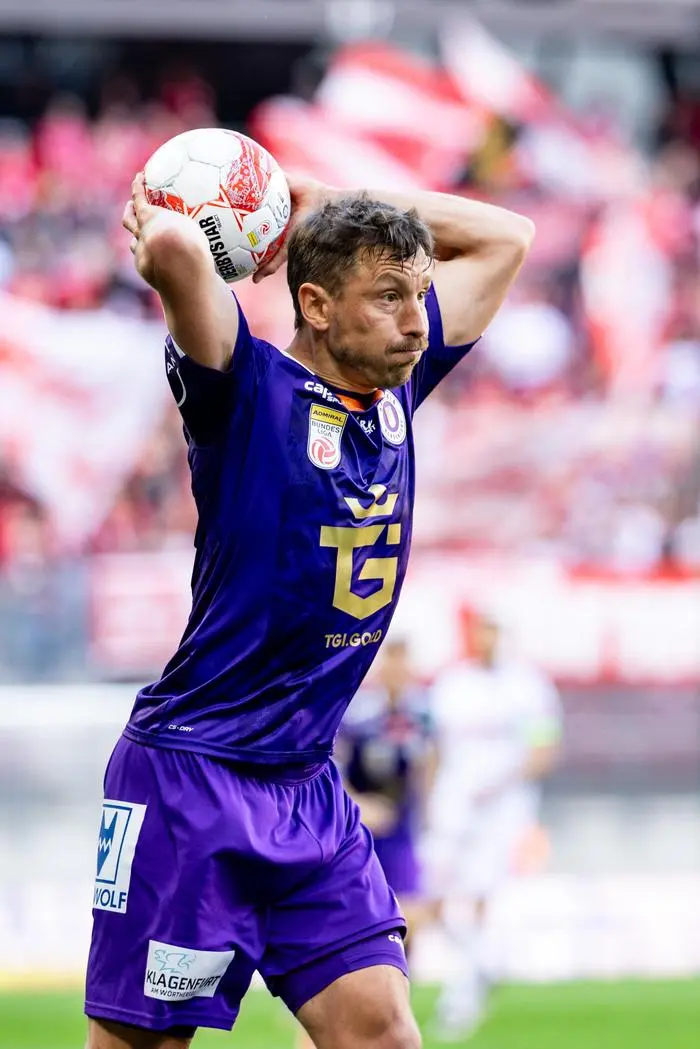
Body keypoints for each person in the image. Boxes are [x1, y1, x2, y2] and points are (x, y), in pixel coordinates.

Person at [85, 164, 534, 1049]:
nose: (417, 321)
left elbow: (506, 238)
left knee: (383, 1033)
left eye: (419, 295)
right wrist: (201, 212)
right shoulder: (245, 393)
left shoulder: (395, 394)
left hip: (305, 786)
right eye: (389, 297)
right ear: (318, 306)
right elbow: (172, 243)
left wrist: (326, 201)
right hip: (191, 779)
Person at [296, 637, 439, 1049]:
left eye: (404, 664)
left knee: (411, 923)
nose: (398, 672)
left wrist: (428, 808)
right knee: (353, 929)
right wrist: (358, 804)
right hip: (359, 834)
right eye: (392, 663)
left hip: (403, 835)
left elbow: (430, 760)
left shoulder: (421, 715)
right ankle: (318, 1021)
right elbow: (328, 764)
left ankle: (391, 1006)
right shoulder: (359, 714)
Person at [428, 609, 561, 1039]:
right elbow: (434, 750)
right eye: (480, 631)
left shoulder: (529, 686)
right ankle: (484, 965)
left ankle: (463, 998)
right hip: (452, 806)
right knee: (431, 896)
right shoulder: (451, 685)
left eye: (493, 631)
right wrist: (429, 800)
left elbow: (543, 749)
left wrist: (501, 784)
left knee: (480, 897)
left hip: (504, 810)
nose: (486, 639)